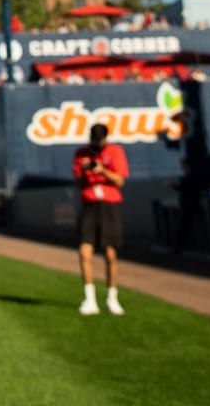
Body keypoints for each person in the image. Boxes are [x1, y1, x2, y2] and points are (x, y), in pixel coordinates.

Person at [73, 122, 129, 315]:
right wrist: (84, 170)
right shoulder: (81, 154)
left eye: (100, 140)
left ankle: (112, 298)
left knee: (111, 254)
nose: (97, 143)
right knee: (84, 252)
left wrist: (102, 170)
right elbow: (79, 183)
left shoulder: (115, 151)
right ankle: (90, 299)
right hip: (89, 205)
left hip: (109, 205)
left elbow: (120, 180)